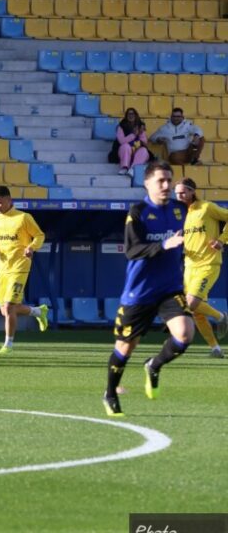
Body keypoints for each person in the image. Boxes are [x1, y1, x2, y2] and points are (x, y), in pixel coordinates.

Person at [102, 161, 192, 417]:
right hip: (140, 292)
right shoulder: (138, 211)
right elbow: (132, 250)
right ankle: (110, 393)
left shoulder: (179, 209)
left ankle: (154, 364)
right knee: (125, 347)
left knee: (185, 334)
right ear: (147, 183)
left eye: (169, 180)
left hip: (170, 288)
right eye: (160, 181)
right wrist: (164, 245)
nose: (166, 185)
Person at [0, 186, 49, 355]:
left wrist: (31, 247)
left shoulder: (23, 217)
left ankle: (8, 345)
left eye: (0, 202)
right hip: (2, 268)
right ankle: (38, 311)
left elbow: (39, 235)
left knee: (9, 307)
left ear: (9, 200)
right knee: (6, 310)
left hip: (20, 267)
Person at [173, 179, 228, 359]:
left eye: (182, 192)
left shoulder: (207, 207)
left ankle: (221, 317)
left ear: (192, 191)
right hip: (189, 266)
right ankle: (215, 348)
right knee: (195, 311)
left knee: (190, 303)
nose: (179, 196)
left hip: (208, 264)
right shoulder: (181, 214)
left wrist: (222, 240)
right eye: (176, 193)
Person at [109, 108, 150, 176]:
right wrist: (133, 135)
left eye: (133, 114)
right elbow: (122, 141)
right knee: (125, 146)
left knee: (144, 150)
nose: (131, 116)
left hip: (136, 151)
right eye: (129, 114)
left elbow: (145, 143)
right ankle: (124, 167)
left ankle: (133, 168)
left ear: (136, 115)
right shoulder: (121, 127)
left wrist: (140, 136)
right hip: (124, 152)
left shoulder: (140, 127)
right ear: (126, 116)